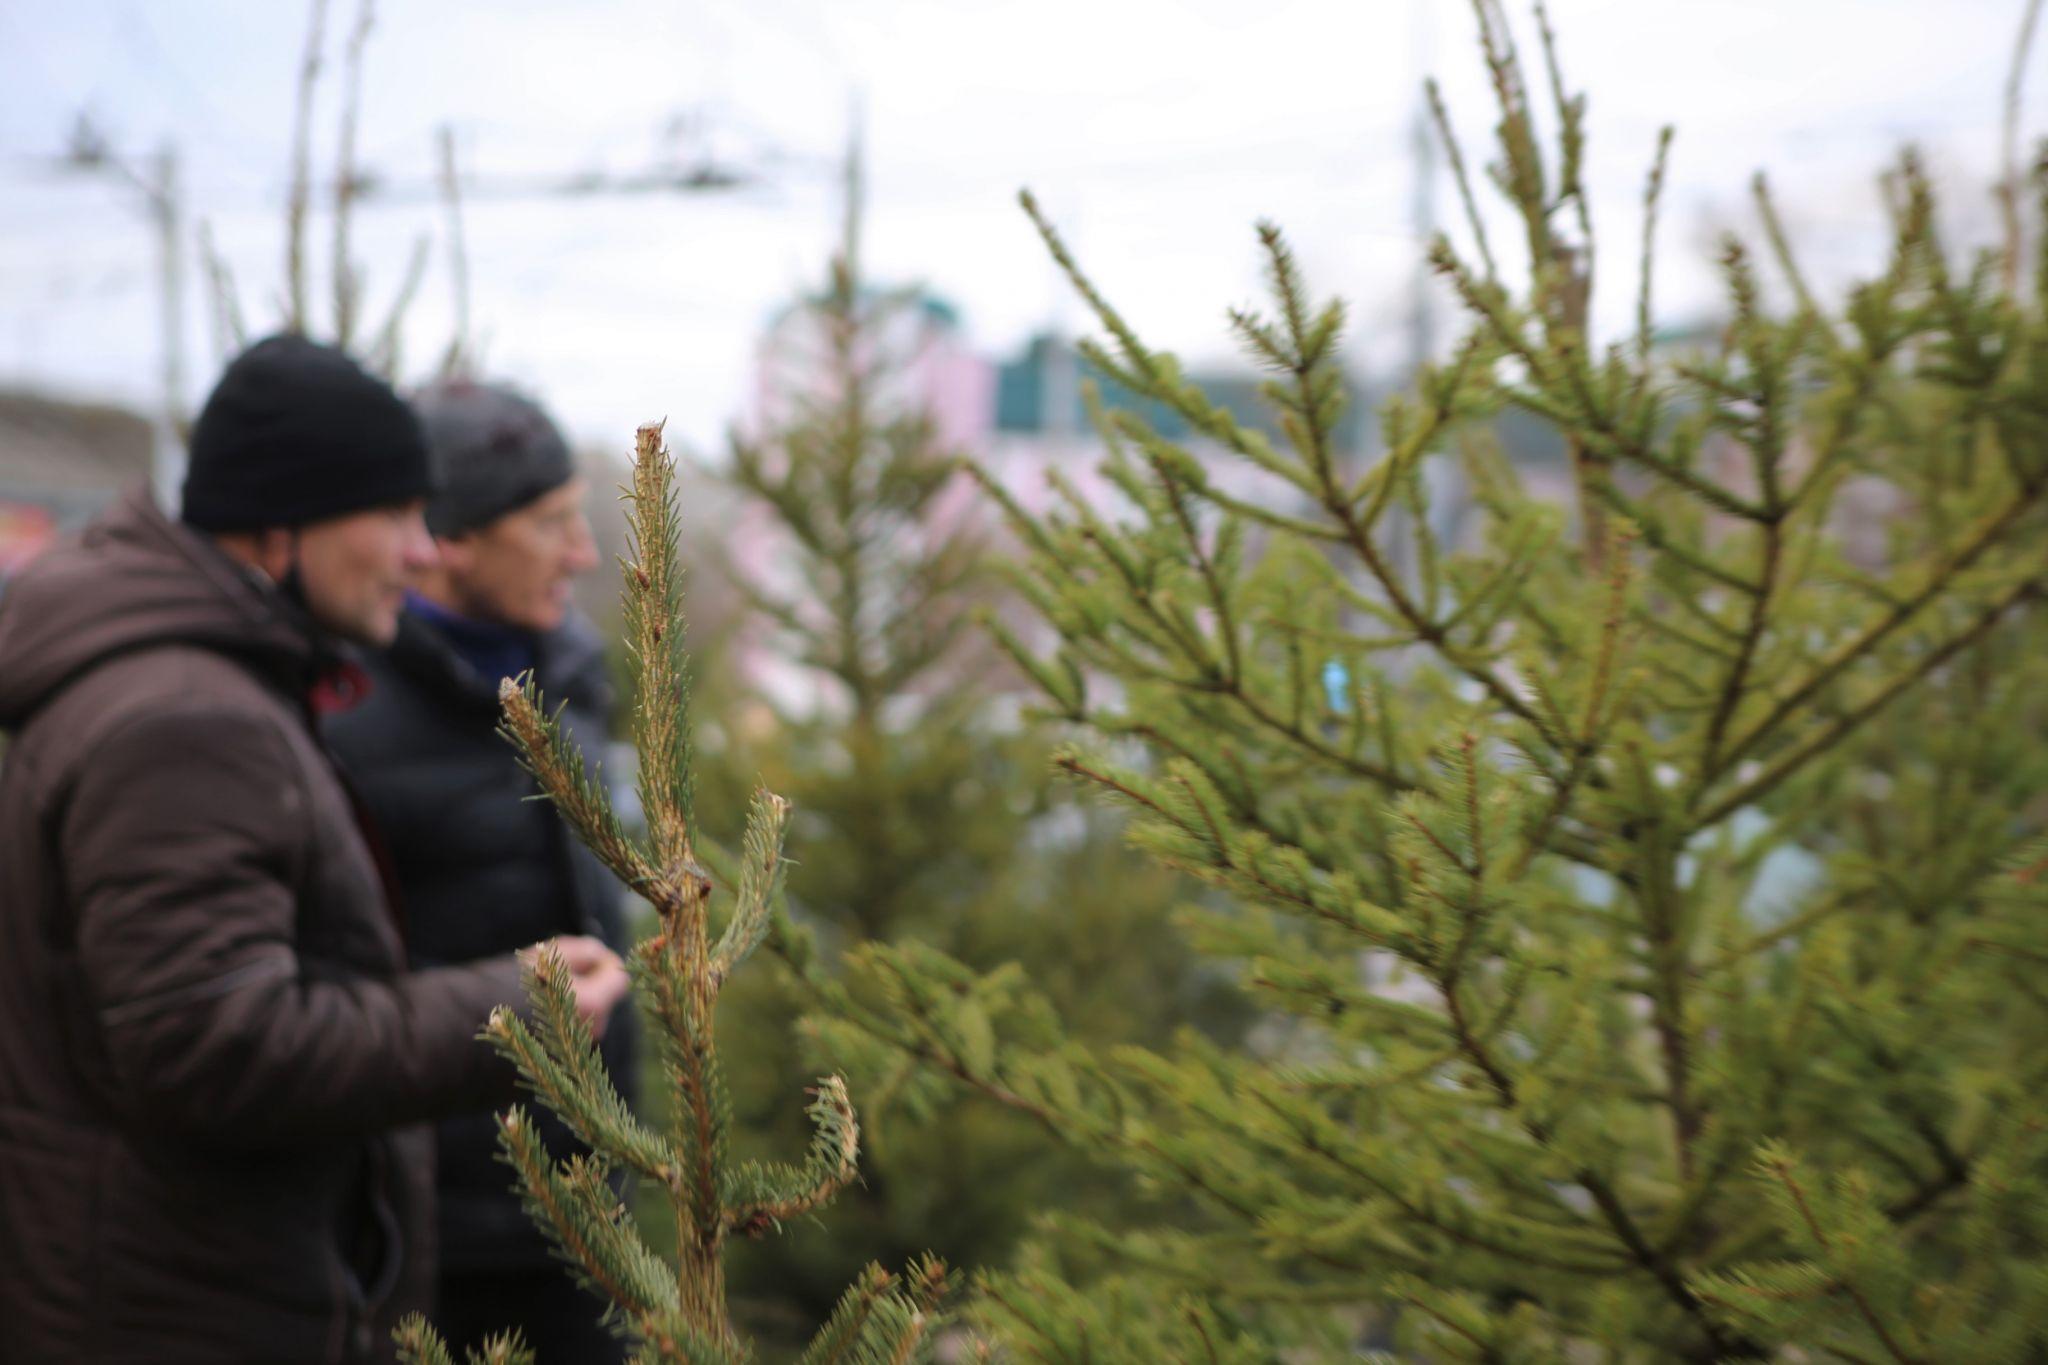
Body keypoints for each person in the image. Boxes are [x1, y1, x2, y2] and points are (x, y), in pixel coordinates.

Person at [0, 335, 631, 1364]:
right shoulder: (184, 723)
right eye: (390, 516)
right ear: (284, 528)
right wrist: (520, 1011)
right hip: (184, 1311)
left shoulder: (204, 688)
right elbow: (215, 1046)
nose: (420, 550)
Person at [324, 379, 637, 1363]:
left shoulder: (571, 681)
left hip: (589, 1218)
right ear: (449, 539)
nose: (582, 554)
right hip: (427, 1247)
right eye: (548, 525)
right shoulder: (342, 719)